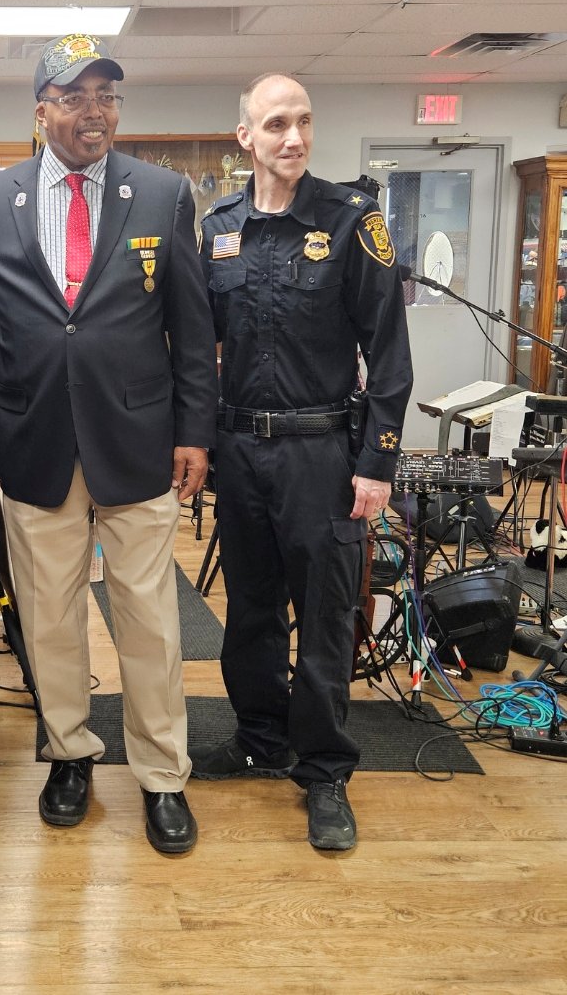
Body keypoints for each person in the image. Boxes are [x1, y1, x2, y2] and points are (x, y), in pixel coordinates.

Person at [0, 34, 217, 854]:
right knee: (49, 617)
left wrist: (194, 432)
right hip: (36, 442)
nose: (94, 111)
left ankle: (163, 774)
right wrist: (2, 356)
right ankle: (69, 754)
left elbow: (192, 325)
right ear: (42, 113)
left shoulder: (163, 194)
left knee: (151, 621)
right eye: (74, 97)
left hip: (139, 442)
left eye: (106, 96)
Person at [194, 73, 413, 850]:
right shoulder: (219, 229)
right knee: (251, 609)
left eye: (304, 122)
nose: (294, 137)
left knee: (323, 616)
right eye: (276, 124)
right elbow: (197, 347)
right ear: (245, 138)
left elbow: (389, 352)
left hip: (321, 452)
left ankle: (324, 770)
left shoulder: (351, 221)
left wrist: (377, 463)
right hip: (240, 451)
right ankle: (260, 737)